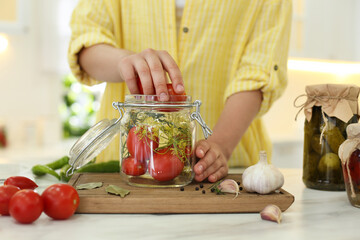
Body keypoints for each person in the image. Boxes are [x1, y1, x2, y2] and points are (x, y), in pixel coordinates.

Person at [68, 0, 292, 183]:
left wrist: (221, 145)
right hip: (123, 171)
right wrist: (124, 63)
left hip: (228, 169)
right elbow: (86, 41)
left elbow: (258, 72)